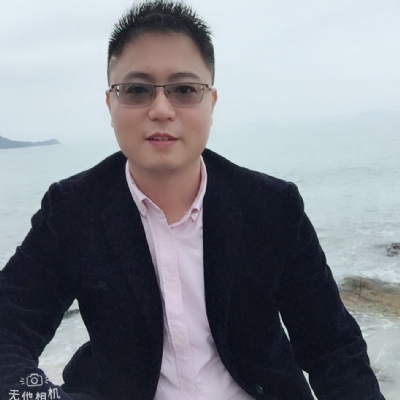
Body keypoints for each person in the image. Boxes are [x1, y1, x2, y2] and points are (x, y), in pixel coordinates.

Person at [0, 1, 385, 399]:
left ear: (211, 103)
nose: (161, 110)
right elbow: (9, 326)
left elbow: (333, 350)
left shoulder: (272, 207)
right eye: (137, 90)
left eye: (184, 90)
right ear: (111, 104)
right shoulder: (73, 210)